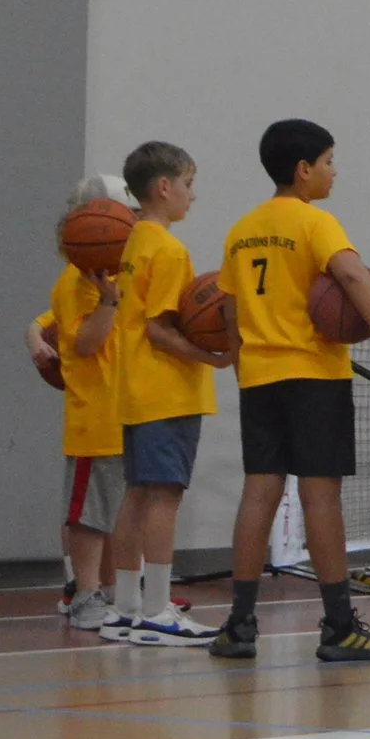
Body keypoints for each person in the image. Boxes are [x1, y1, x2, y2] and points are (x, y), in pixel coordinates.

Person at [210, 119, 370, 663]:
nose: (333, 171)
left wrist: (241, 364)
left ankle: (239, 625)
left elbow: (228, 309)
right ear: (303, 170)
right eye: (328, 162)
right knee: (321, 498)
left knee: (258, 494)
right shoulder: (316, 223)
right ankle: (339, 626)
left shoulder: (241, 230)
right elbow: (354, 277)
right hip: (315, 378)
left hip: (260, 378)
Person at [106, 144, 229, 645]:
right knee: (164, 498)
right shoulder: (169, 250)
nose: (192, 196)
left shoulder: (132, 243)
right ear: (164, 187)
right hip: (167, 392)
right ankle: (157, 610)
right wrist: (213, 357)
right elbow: (160, 330)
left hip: (135, 389)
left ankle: (124, 608)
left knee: (137, 495)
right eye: (188, 184)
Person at [25, 175, 143, 632]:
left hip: (127, 411)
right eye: (124, 218)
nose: (132, 226)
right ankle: (85, 594)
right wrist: (110, 303)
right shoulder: (77, 283)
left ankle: (112, 590)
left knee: (114, 513)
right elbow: (88, 342)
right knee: (88, 516)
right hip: (95, 417)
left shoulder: (114, 277)